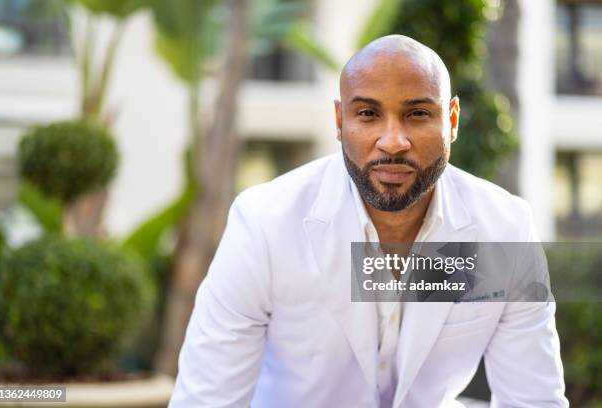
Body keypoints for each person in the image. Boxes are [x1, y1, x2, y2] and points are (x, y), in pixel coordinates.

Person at [169, 35, 568, 407]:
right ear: (340, 122)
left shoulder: (505, 229)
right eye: (367, 113)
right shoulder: (264, 226)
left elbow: (533, 398)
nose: (393, 141)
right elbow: (206, 400)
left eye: (416, 113)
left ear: (451, 120)